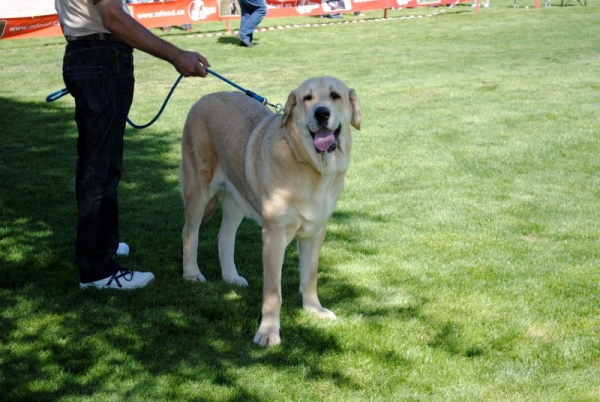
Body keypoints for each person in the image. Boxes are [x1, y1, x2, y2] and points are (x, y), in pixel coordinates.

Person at [55, 0, 210, 289]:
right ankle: (97, 270)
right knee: (101, 168)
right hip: (101, 58)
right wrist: (176, 55)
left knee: (97, 163)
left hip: (86, 55)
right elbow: (112, 17)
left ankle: (100, 247)